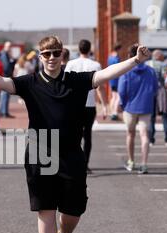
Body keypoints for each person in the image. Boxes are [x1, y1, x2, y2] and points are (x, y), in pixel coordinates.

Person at [0, 36, 151, 233]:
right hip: (39, 153)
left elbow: (106, 74)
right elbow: (0, 81)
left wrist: (135, 60)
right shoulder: (30, 82)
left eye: (55, 53)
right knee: (45, 208)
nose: (51, 58)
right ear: (39, 57)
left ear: (62, 56)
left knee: (73, 209)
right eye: (46, 54)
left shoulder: (76, 81)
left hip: (70, 154)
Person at [65, 40, 109, 173]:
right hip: (89, 104)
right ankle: (85, 164)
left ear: (79, 49)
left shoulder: (71, 64)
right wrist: (105, 106)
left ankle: (74, 163)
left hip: (73, 104)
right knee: (87, 135)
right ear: (90, 50)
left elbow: (64, 83)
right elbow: (100, 87)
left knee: (74, 134)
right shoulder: (96, 65)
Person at [118, 45, 158, 175]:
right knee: (144, 135)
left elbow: (122, 90)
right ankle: (144, 164)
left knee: (130, 134)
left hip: (130, 107)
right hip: (146, 107)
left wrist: (123, 104)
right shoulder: (151, 71)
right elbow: (155, 89)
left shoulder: (126, 71)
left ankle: (131, 161)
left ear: (130, 55)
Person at [146, 50, 167, 147]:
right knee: (165, 115)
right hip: (161, 91)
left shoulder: (147, 64)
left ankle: (151, 140)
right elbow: (166, 78)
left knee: (151, 117)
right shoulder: (163, 64)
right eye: (162, 56)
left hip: (149, 91)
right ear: (159, 56)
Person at [0, 41, 16, 118]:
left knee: (5, 95)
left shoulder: (6, 54)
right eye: (8, 46)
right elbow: (6, 67)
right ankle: (4, 112)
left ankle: (4, 112)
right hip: (5, 76)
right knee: (5, 95)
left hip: (6, 76)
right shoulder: (4, 54)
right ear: (5, 46)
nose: (9, 48)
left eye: (10, 46)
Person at [108, 43, 122, 121]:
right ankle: (115, 113)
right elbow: (118, 68)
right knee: (118, 97)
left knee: (113, 96)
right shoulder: (117, 58)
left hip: (111, 78)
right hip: (117, 79)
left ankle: (111, 112)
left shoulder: (110, 57)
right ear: (118, 49)